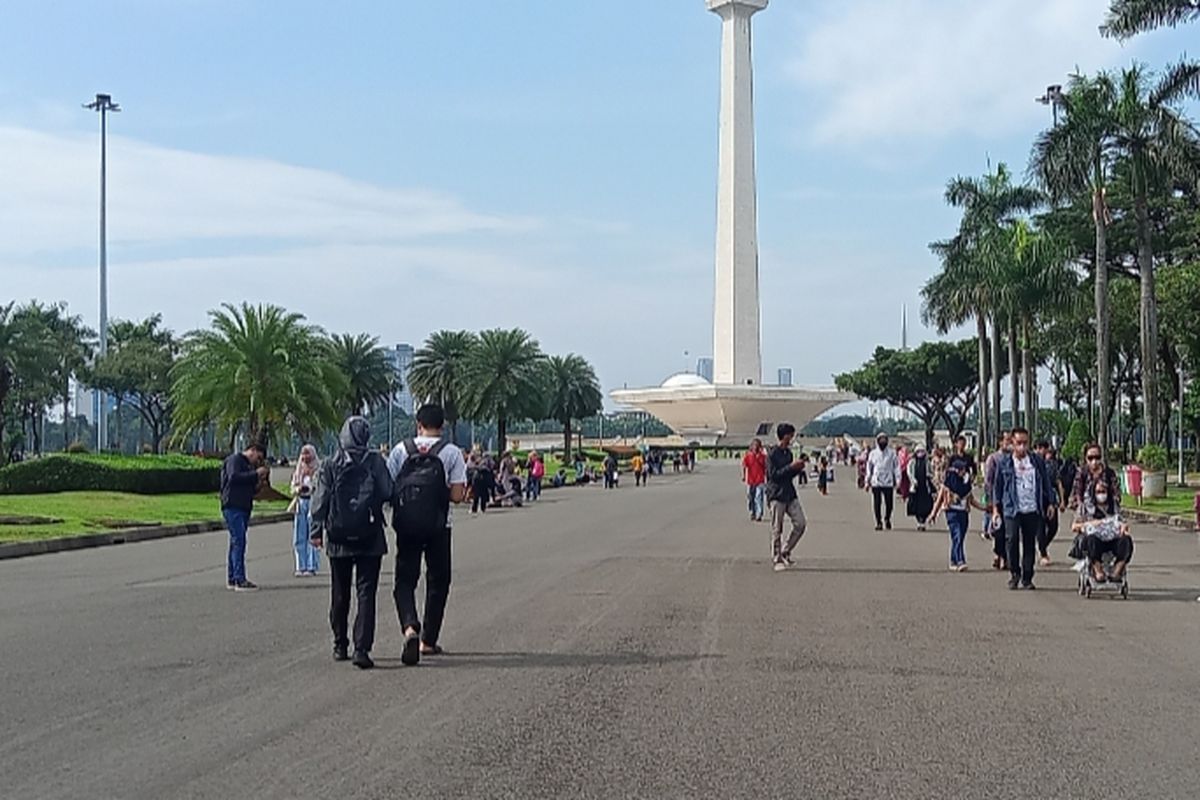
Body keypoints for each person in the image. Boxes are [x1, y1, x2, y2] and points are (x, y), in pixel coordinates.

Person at [309, 417, 394, 669]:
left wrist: (316, 531)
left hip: (338, 537)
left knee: (340, 592)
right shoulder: (376, 461)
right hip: (370, 537)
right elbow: (389, 491)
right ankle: (362, 648)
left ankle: (339, 643)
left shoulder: (330, 464)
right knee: (366, 593)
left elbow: (320, 501)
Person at [387, 404, 467, 666]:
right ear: (442, 426)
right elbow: (457, 496)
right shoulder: (451, 452)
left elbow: (389, 488)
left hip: (407, 525)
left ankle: (410, 627)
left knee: (404, 580)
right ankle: (428, 640)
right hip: (439, 526)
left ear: (417, 423)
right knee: (438, 581)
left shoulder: (401, 450)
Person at [991, 427, 1056, 590]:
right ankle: (1015, 573)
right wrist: (995, 509)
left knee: (1029, 543)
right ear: (1012, 443)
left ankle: (1027, 577)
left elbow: (1046, 483)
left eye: (1025, 443)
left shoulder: (1036, 461)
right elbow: (997, 487)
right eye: (1018, 443)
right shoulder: (1004, 462)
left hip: (1032, 508)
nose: (1022, 447)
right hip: (1012, 508)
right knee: (1011, 539)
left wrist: (1050, 503)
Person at [220, 441, 269, 591]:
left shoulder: (248, 466)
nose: (257, 462)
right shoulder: (235, 460)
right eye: (258, 458)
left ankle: (233, 577)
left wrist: (259, 483)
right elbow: (234, 477)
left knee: (235, 542)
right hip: (233, 505)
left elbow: (248, 485)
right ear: (252, 450)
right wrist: (255, 474)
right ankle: (239, 579)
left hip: (243, 505)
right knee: (239, 541)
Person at [1071, 475, 1133, 584]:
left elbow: (1122, 521)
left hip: (1112, 538)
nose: (1101, 494)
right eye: (1098, 492)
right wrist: (1090, 524)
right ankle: (1098, 570)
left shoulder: (1113, 506)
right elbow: (1074, 526)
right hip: (1096, 540)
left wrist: (1123, 526)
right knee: (1090, 540)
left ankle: (1117, 571)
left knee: (1126, 540)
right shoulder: (1085, 507)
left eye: (1103, 491)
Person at [765, 423, 808, 572]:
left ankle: (786, 549)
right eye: (790, 435)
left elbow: (788, 475)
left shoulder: (788, 454)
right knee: (777, 528)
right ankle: (777, 558)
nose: (792, 438)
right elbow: (773, 476)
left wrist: (797, 468)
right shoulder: (772, 454)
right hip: (776, 494)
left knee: (800, 523)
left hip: (789, 492)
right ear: (785, 436)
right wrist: (791, 467)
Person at [289, 444, 321, 577]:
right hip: (300, 503)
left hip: (313, 502)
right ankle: (300, 565)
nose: (305, 457)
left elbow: (322, 487)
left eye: (308, 454)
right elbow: (292, 488)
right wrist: (298, 489)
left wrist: (311, 487)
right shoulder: (298, 471)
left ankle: (311, 565)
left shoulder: (318, 470)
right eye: (303, 454)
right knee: (299, 535)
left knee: (312, 534)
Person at [982, 431, 1011, 569]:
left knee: (1009, 532)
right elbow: (989, 481)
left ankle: (1005, 558)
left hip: (1010, 500)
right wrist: (990, 500)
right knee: (998, 529)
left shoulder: (1013, 458)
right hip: (997, 499)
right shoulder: (993, 458)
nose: (1009, 442)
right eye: (1007, 440)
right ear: (1000, 442)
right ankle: (998, 555)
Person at [1035, 441, 1065, 566]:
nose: (1042, 451)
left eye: (1044, 448)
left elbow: (1058, 482)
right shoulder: (1031, 463)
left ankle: (1042, 547)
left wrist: (1062, 500)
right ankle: (1042, 553)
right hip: (1037, 500)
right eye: (1039, 448)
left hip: (1051, 499)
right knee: (1040, 527)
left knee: (1053, 527)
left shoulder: (1052, 465)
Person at [865, 433, 901, 530]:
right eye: (881, 440)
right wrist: (867, 481)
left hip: (888, 481)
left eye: (884, 440)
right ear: (877, 441)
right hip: (876, 481)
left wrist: (898, 480)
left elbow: (896, 467)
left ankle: (887, 518)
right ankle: (878, 522)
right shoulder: (873, 454)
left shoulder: (892, 453)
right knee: (877, 503)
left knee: (889, 503)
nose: (882, 442)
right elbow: (869, 468)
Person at [905, 445, 935, 531]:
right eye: (918, 451)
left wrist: (930, 476)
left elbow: (931, 472)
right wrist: (913, 481)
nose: (920, 453)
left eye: (922, 451)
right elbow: (909, 472)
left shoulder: (927, 462)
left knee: (926, 505)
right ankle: (919, 522)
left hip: (925, 487)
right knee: (915, 505)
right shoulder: (912, 462)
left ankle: (923, 521)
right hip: (916, 487)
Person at [742, 439, 767, 521]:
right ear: (751, 446)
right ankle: (753, 511)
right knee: (750, 496)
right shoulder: (748, 456)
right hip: (751, 480)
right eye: (754, 445)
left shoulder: (763, 456)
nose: (755, 447)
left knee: (758, 497)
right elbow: (744, 465)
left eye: (757, 445)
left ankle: (759, 514)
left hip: (760, 479)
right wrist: (743, 475)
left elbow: (766, 467)